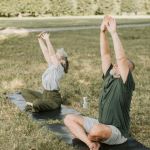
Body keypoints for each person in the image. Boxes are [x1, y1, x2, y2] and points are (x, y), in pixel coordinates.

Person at [64, 16, 135, 150]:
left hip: (116, 131)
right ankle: (90, 143)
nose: (116, 65)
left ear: (126, 72)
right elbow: (106, 54)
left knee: (96, 130)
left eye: (122, 66)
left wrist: (113, 32)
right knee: (68, 119)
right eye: (117, 65)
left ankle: (85, 136)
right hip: (101, 123)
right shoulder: (109, 76)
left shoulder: (126, 85)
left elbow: (121, 58)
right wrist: (102, 32)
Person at [22, 32, 69, 112]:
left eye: (57, 56)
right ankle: (32, 105)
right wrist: (40, 39)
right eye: (56, 55)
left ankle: (32, 105)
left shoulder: (59, 68)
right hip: (44, 94)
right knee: (25, 91)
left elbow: (51, 55)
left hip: (54, 100)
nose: (55, 56)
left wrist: (47, 39)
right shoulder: (52, 65)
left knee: (37, 103)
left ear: (63, 61)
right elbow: (45, 52)